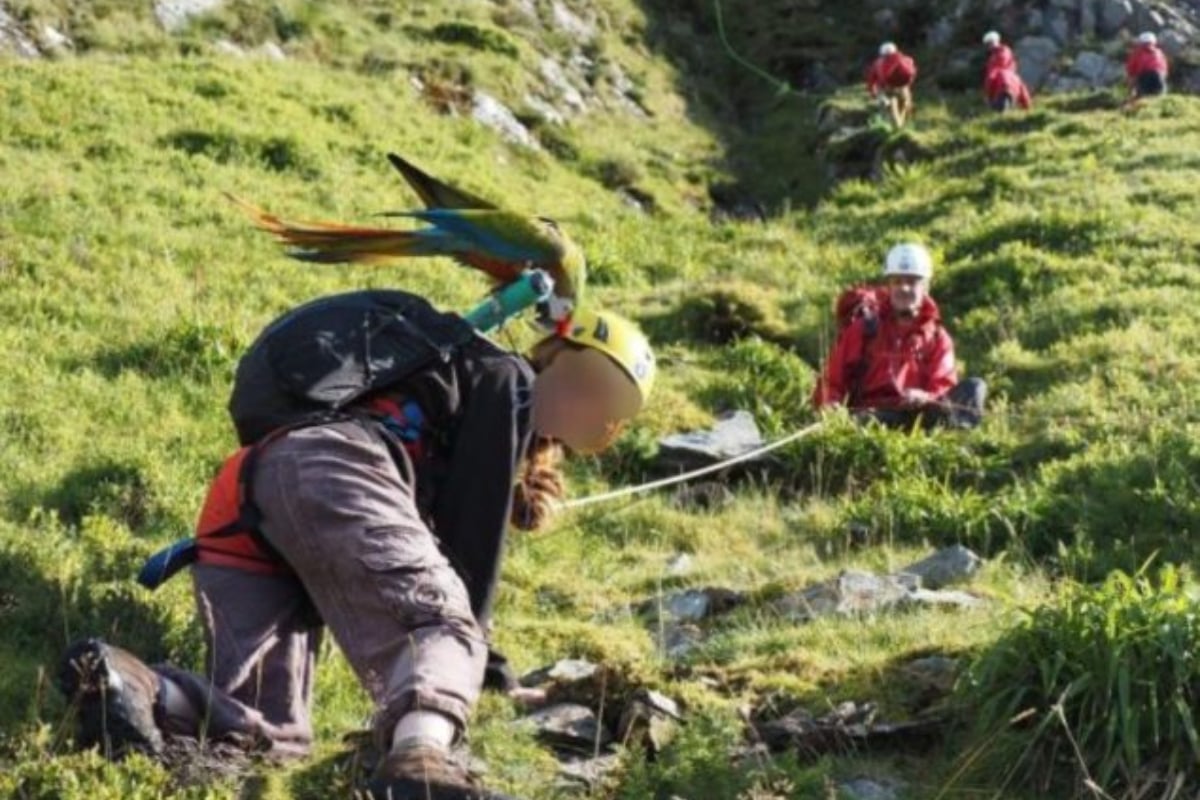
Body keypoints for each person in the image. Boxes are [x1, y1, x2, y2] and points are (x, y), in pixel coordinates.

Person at [56, 294, 656, 800]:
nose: (589, 405)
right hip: (335, 470)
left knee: (273, 741)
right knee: (440, 623)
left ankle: (132, 686)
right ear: (551, 356)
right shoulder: (507, 378)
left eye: (606, 408)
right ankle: (421, 764)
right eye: (585, 383)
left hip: (248, 501)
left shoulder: (460, 385)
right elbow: (469, 547)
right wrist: (488, 670)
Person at [812, 243, 986, 430]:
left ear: (925, 287)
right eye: (897, 281)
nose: (904, 288)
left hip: (918, 418)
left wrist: (925, 397)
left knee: (975, 387)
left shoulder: (938, 339)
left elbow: (943, 387)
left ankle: (953, 434)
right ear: (889, 285)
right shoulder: (862, 330)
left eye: (912, 282)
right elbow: (831, 382)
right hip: (870, 417)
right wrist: (831, 406)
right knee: (867, 419)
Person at [866, 42, 918, 128]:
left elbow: (871, 79)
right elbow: (913, 72)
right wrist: (908, 84)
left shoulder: (878, 62)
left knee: (890, 107)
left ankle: (895, 125)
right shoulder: (906, 59)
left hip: (887, 88)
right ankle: (903, 125)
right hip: (903, 87)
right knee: (904, 106)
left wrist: (872, 92)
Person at [1125, 31, 1169, 104]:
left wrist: (1131, 86)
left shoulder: (1137, 52)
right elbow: (1165, 68)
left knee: (1143, 98)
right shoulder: (1159, 52)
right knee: (1160, 97)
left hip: (1144, 76)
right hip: (1159, 75)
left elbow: (1131, 69)